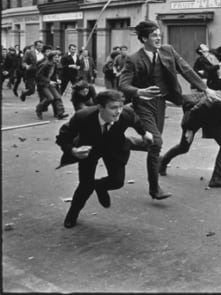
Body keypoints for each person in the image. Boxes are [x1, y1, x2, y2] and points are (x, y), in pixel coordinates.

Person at [119, 20, 221, 200]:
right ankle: (154, 188)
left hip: (161, 103)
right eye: (154, 36)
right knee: (156, 143)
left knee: (152, 144)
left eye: (159, 35)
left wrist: (205, 89)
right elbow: (123, 84)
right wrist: (139, 91)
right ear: (144, 38)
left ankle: (124, 143)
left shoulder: (168, 51)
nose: (158, 38)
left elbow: (186, 69)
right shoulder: (133, 59)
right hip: (143, 104)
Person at [56, 90, 153, 228]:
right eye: (113, 108)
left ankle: (100, 186)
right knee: (85, 186)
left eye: (120, 106)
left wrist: (144, 133)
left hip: (114, 147)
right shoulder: (83, 117)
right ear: (100, 108)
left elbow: (137, 122)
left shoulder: (126, 114)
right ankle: (72, 214)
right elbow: (63, 137)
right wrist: (73, 150)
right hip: (90, 149)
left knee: (117, 181)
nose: (118, 111)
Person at [160, 91, 221, 187]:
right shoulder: (216, 101)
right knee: (184, 147)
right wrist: (189, 129)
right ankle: (162, 162)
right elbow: (193, 112)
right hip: (195, 116)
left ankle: (216, 179)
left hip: (212, 119)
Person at [35, 51, 68, 120]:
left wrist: (57, 80)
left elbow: (53, 75)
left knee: (57, 97)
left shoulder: (54, 64)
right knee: (50, 98)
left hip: (50, 83)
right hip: (43, 84)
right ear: (51, 57)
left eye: (58, 57)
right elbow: (38, 75)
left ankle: (60, 113)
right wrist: (49, 81)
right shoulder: (45, 64)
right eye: (55, 57)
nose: (57, 58)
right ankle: (39, 109)